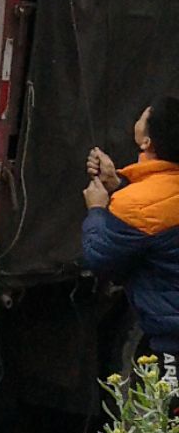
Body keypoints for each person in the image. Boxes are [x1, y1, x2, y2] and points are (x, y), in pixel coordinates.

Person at [81, 97, 179, 385]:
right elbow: (158, 210)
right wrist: (118, 185)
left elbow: (99, 256)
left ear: (147, 141)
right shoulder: (146, 198)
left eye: (142, 116)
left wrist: (97, 209)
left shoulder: (135, 204)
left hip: (171, 341)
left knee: (164, 420)